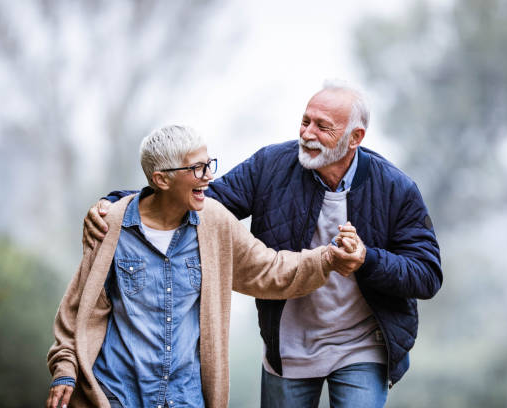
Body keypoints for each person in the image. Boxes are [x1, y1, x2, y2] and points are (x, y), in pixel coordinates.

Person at [84, 81, 443, 407]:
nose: (307, 133)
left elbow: (427, 275)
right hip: (287, 347)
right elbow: (203, 201)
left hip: (361, 346)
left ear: (355, 137)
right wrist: (120, 204)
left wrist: (367, 259)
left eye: (322, 127)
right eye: (305, 121)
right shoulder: (271, 165)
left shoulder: (396, 188)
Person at [47, 125, 365, 408]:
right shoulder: (111, 226)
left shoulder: (213, 222)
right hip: (116, 394)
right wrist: (65, 369)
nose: (208, 176)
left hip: (186, 396)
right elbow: (79, 309)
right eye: (197, 168)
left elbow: (269, 269)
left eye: (208, 164)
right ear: (162, 179)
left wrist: (327, 258)